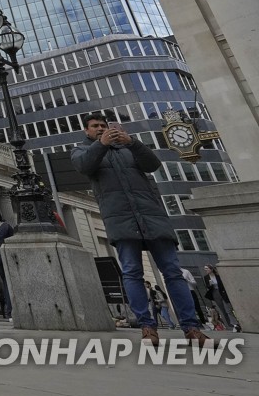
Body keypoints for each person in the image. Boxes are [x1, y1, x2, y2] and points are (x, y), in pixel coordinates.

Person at [72, 113, 209, 346]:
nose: (100, 129)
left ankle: (192, 328)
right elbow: (84, 166)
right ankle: (147, 326)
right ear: (86, 131)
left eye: (104, 126)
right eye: (95, 127)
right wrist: (101, 144)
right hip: (121, 218)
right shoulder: (81, 151)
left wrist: (132, 142)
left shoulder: (128, 148)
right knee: (132, 272)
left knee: (172, 272)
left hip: (151, 216)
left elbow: (153, 164)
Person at [203, 265, 238, 331]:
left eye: (207, 268)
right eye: (205, 269)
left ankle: (235, 324)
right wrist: (210, 285)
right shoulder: (206, 277)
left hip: (223, 292)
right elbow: (208, 287)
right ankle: (229, 325)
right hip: (215, 293)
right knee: (222, 310)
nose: (206, 270)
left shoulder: (218, 275)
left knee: (228, 309)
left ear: (211, 269)